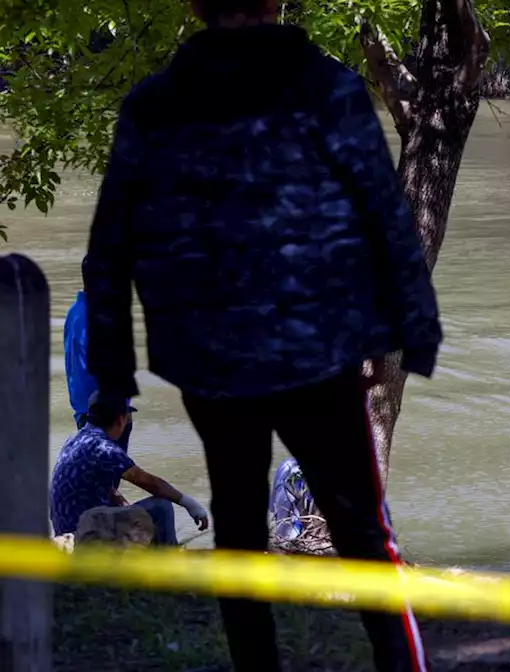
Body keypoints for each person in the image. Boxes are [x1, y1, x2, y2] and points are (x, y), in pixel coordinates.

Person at [80, 0, 441, 669]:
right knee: (365, 533)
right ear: (277, 2)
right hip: (321, 354)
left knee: (240, 534)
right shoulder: (330, 89)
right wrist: (412, 336)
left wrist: (113, 380)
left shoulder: (154, 106)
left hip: (210, 361)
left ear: (195, 5)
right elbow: (388, 219)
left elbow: (108, 252)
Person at [50, 392, 209, 545]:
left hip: (67, 531)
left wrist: (125, 506)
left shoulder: (75, 439)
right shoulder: (104, 449)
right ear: (120, 420)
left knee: (135, 513)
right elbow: (151, 483)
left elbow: (106, 487)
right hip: (85, 537)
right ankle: (169, 561)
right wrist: (190, 504)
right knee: (161, 506)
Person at [63, 289, 132, 450]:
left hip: (88, 411)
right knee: (110, 469)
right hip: (105, 416)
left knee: (95, 469)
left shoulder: (75, 312)